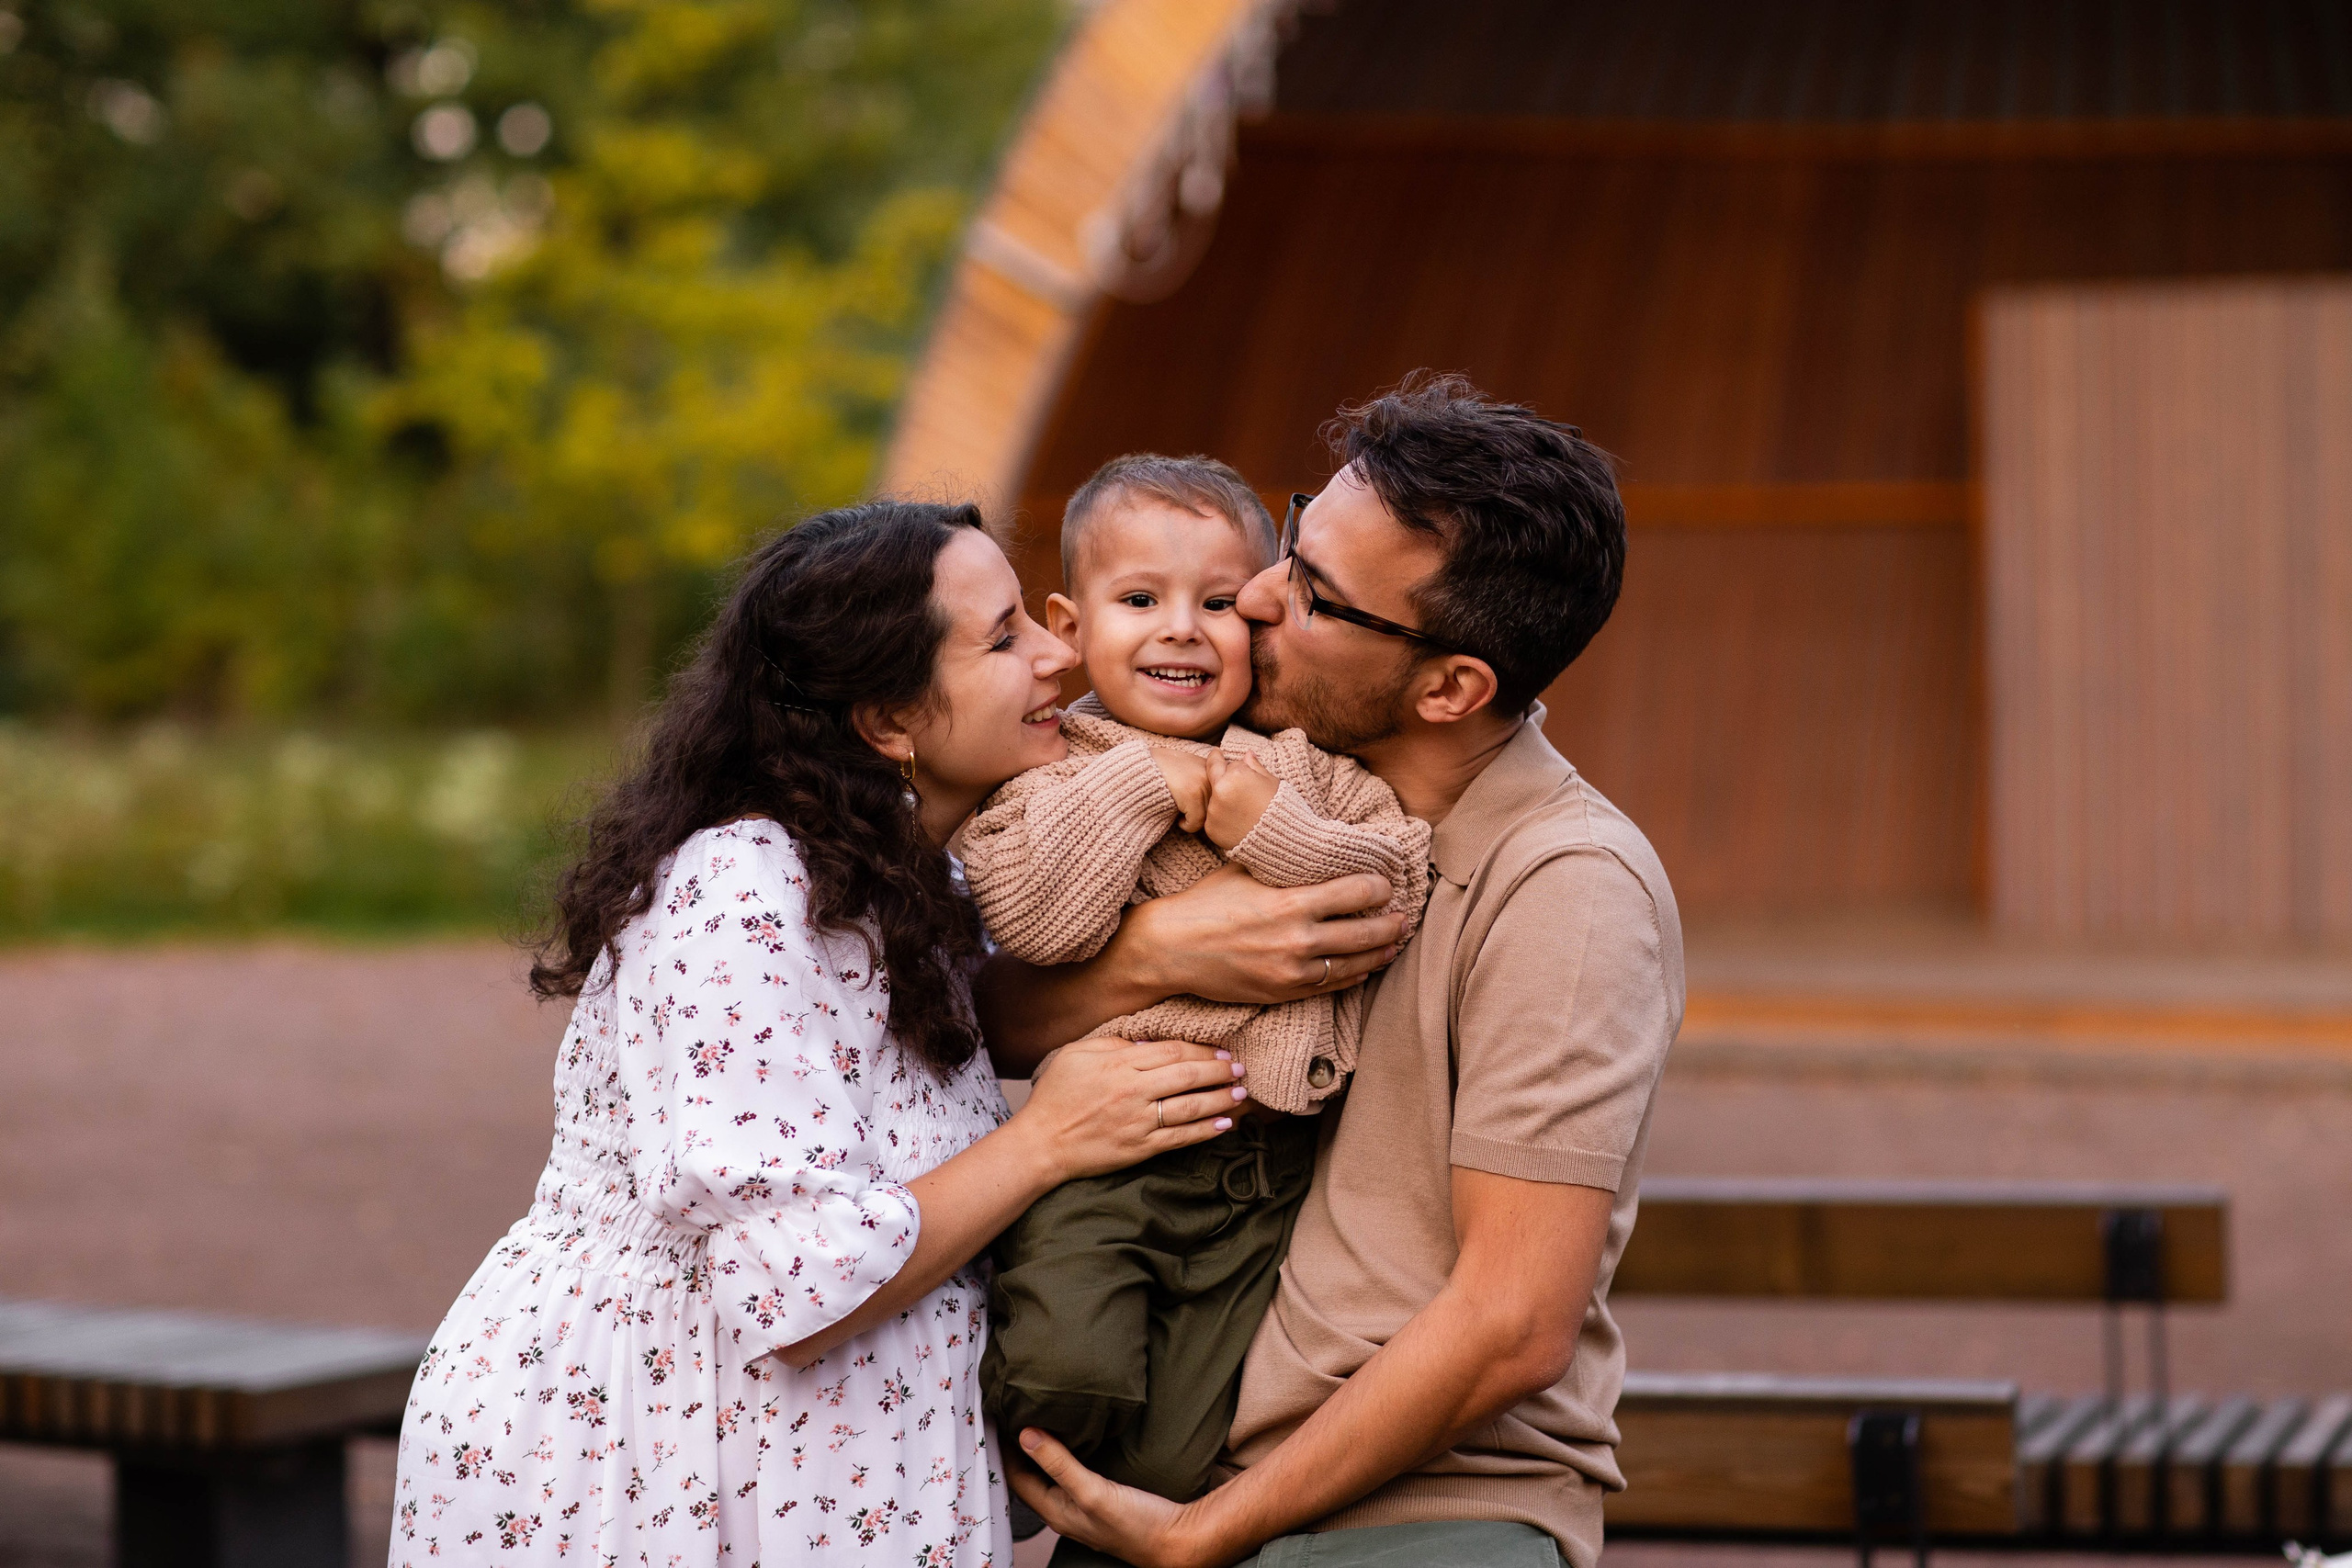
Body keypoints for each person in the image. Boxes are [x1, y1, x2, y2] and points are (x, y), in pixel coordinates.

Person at [388, 501, 1254, 1567]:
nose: (1057, 653)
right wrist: (1049, 1140)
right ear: (889, 723)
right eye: (1003, 637)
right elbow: (795, 1290)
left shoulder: (911, 876)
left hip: (800, 1463)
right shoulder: (742, 891)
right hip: (653, 1465)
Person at [981, 374, 1683, 1568]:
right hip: (1181, 1460)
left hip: (1411, 1510)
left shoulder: (1566, 887)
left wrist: (1209, 1530)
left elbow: (1512, 1322)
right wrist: (1158, 954)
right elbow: (989, 1016)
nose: (1250, 597)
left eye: (1310, 591)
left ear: (1450, 685)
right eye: (1293, 544)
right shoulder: (1246, 784)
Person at [960, 455, 1431, 1506]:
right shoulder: (1049, 771)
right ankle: (992, 1493)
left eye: (1217, 602)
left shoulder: (1300, 767)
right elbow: (1042, 918)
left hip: (1266, 1174)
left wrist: (1255, 818)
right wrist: (1151, 779)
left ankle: (1113, 1523)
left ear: (1257, 622)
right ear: (1070, 625)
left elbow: (1391, 879)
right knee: (1060, 1375)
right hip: (1110, 1152)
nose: (1181, 627)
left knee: (1179, 1460)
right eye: (1140, 600)